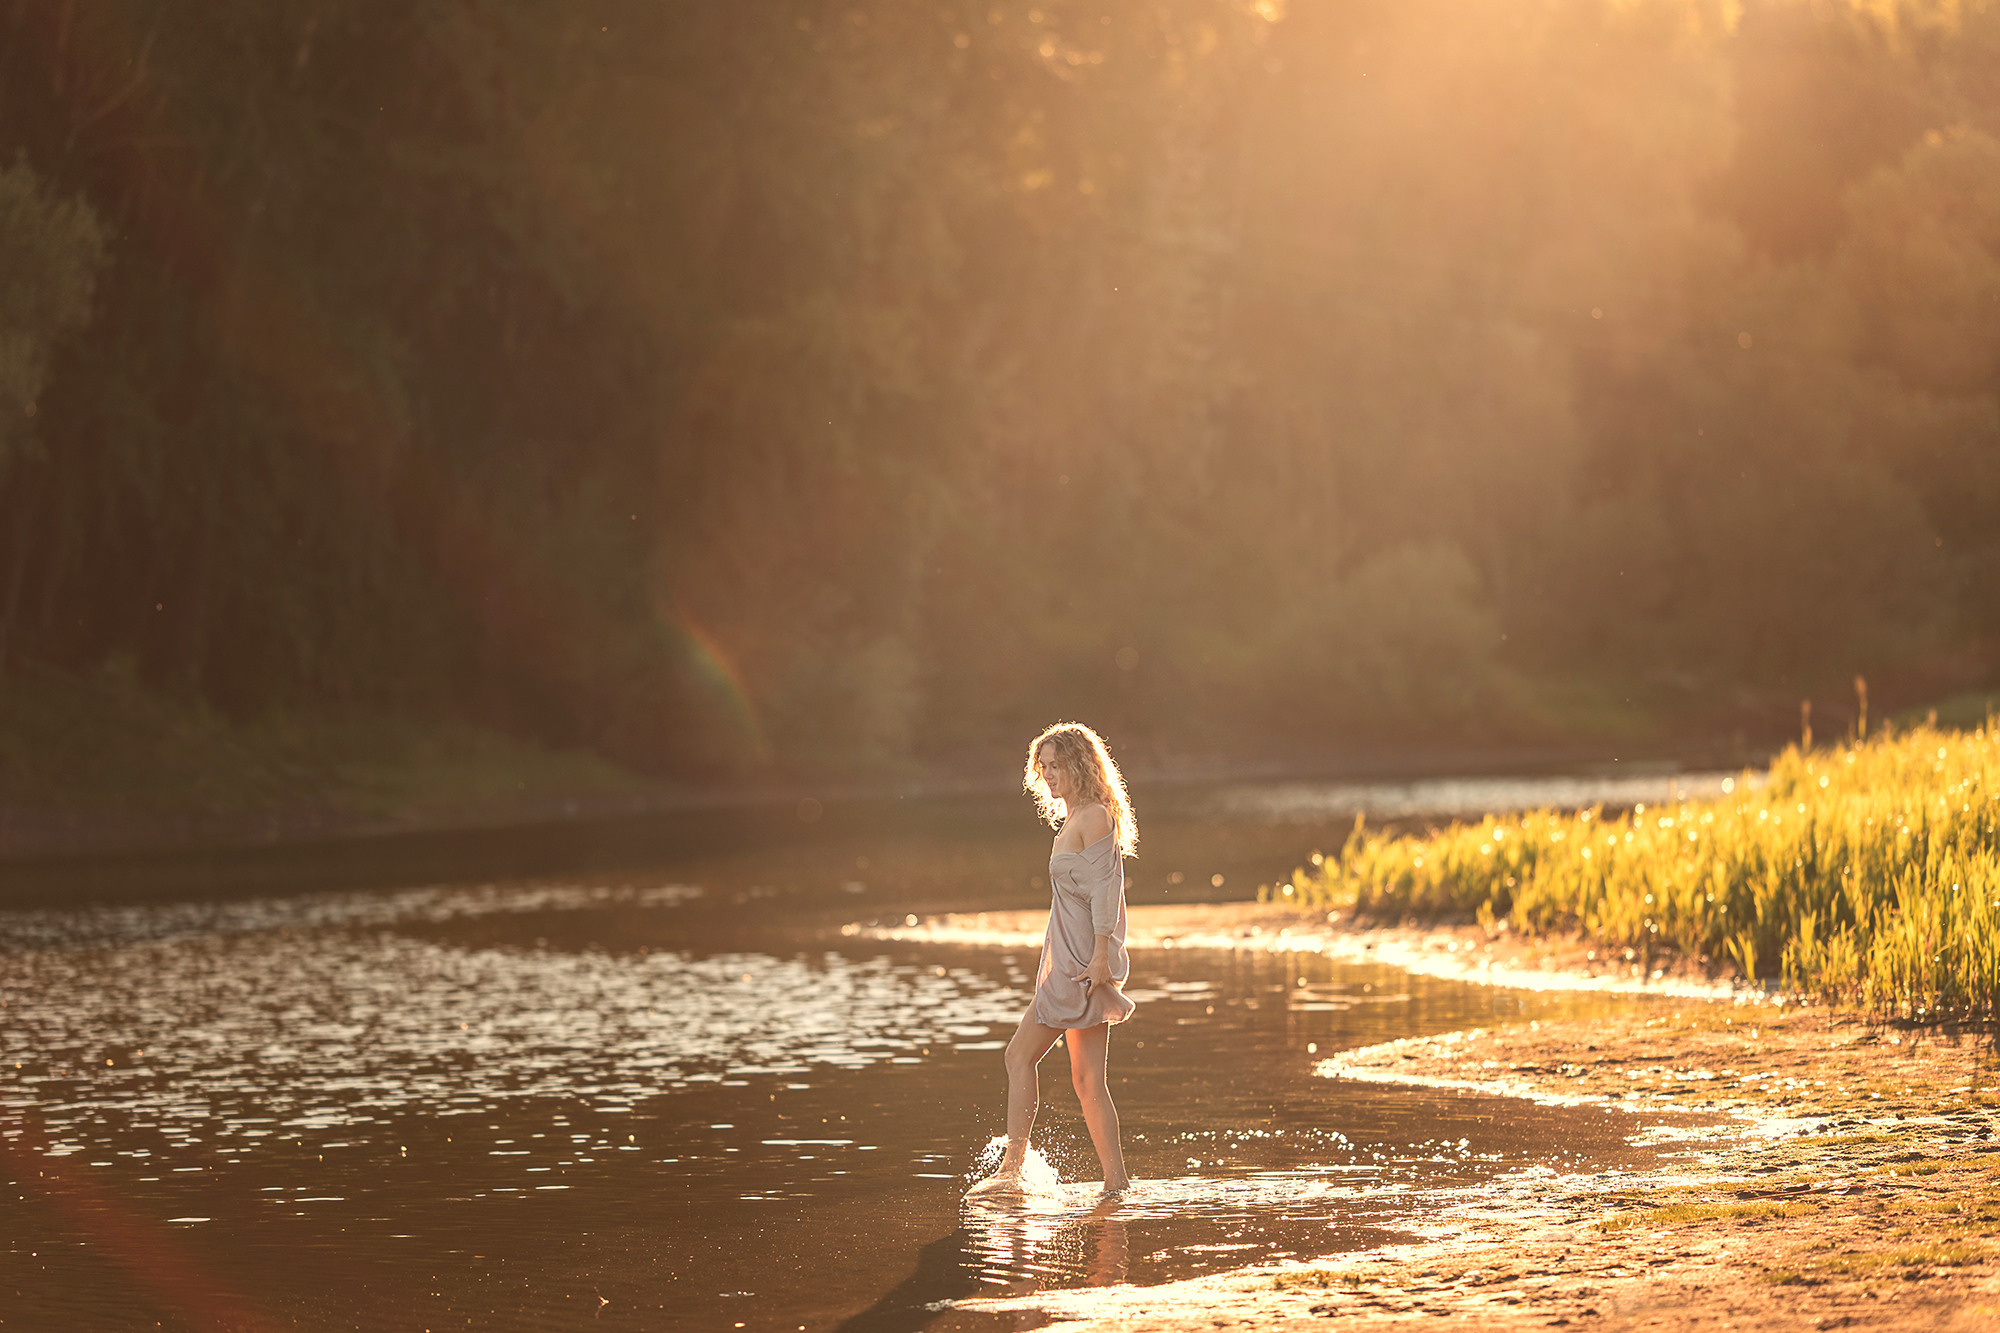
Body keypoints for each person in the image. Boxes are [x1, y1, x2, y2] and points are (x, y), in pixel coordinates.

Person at [969, 721, 1138, 1197]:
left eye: (1056, 764)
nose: (1048, 775)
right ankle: (1115, 1184)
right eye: (1042, 767)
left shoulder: (1093, 818)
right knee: (1087, 1080)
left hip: (1080, 963)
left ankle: (1012, 1172)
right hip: (1072, 958)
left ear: (1081, 764)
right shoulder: (1075, 819)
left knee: (1019, 1056)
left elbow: (1108, 892)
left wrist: (1102, 957)